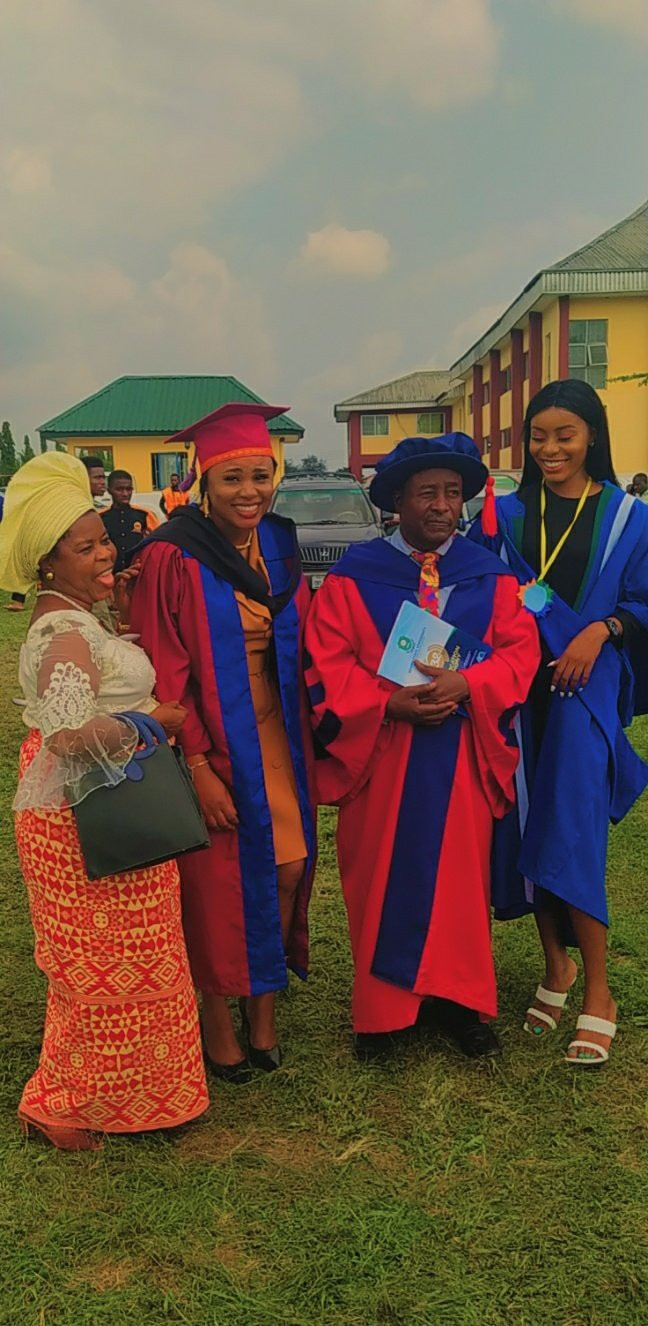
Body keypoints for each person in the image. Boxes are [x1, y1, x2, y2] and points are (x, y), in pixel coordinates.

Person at [304, 434, 539, 1059]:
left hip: (460, 754)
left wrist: (470, 682)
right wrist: (386, 704)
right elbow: (326, 663)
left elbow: (521, 652)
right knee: (377, 874)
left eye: (454, 493)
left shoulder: (489, 575)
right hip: (383, 755)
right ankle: (383, 1014)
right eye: (428, 492)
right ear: (398, 500)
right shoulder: (355, 578)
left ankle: (458, 1003)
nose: (442, 505)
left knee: (458, 882)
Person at [0, 452, 208, 1149]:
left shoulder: (77, 620)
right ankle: (62, 1104)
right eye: (84, 548)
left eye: (102, 540)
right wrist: (158, 725)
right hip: (85, 814)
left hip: (94, 805)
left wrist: (115, 618)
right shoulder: (63, 633)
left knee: (115, 965)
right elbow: (67, 733)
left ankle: (109, 1099)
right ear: (47, 565)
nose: (104, 553)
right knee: (101, 970)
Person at [130, 403, 317, 1081]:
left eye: (260, 476)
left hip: (276, 732)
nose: (249, 492)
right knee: (217, 886)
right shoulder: (170, 556)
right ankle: (218, 1026)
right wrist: (201, 767)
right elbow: (165, 671)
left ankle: (263, 1017)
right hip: (209, 745)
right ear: (203, 482)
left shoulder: (278, 544)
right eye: (232, 478)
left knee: (289, 869)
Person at [470, 379, 648, 1067]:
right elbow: (483, 592)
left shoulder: (630, 518)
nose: (549, 448)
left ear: (592, 437)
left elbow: (642, 600)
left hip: (583, 687)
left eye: (564, 435)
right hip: (519, 691)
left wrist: (599, 631)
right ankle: (556, 968)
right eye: (538, 436)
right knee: (521, 824)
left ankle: (599, 991)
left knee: (571, 830)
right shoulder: (507, 515)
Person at [102, 470, 158, 572]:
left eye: (129, 489)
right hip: (110, 573)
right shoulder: (101, 517)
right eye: (119, 489)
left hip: (138, 572)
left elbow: (157, 543)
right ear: (109, 490)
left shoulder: (144, 514)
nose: (125, 494)